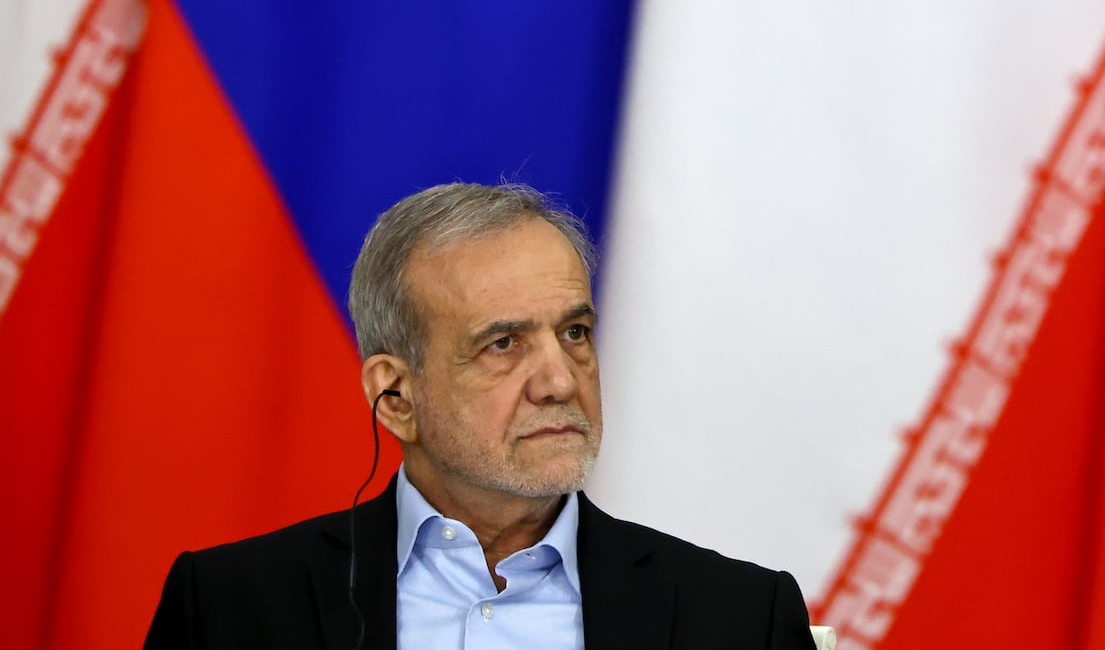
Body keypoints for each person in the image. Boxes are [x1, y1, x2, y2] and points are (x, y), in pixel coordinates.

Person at [145, 182, 816, 649]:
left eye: (575, 333)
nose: (559, 381)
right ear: (397, 396)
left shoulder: (740, 619)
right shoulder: (230, 607)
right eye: (504, 344)